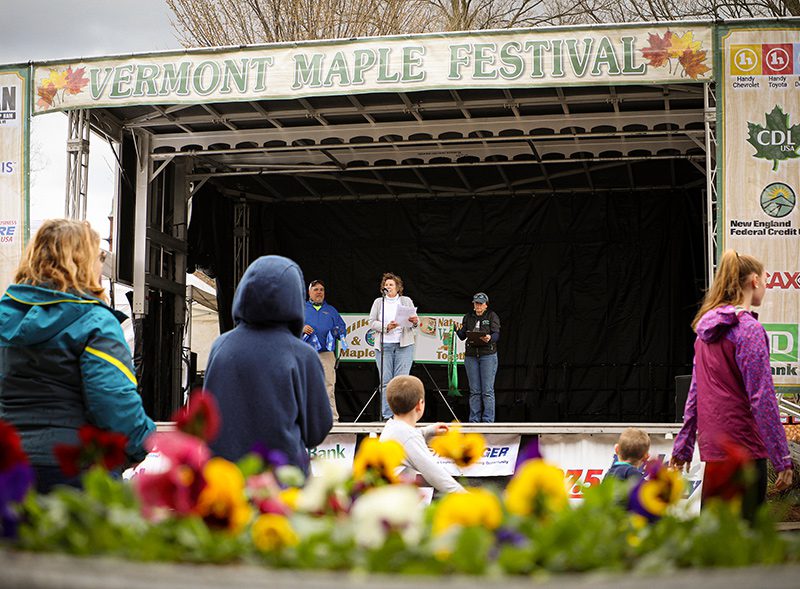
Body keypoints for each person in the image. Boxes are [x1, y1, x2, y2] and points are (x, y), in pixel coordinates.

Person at [0, 219, 155, 493]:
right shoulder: (95, 322)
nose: (100, 266)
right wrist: (143, 444)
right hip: (75, 471)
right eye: (99, 257)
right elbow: (113, 402)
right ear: (81, 262)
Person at [670, 250, 793, 518]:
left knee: (716, 543)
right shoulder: (748, 329)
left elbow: (694, 395)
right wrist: (782, 457)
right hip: (745, 451)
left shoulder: (704, 331)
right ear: (754, 281)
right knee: (744, 544)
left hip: (714, 452)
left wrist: (684, 446)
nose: (767, 285)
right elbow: (762, 397)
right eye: (765, 279)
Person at [204, 255, 332, 474]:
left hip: (226, 483)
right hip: (282, 483)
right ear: (294, 297)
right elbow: (316, 432)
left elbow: (207, 418)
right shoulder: (302, 355)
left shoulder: (221, 346)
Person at [380, 375, 464, 494]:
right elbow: (436, 475)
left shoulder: (392, 426)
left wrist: (428, 430)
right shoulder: (408, 436)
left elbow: (406, 439)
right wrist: (469, 498)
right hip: (393, 506)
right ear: (420, 404)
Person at [368, 272, 418, 420]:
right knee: (386, 382)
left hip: (404, 345)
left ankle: (401, 415)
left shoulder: (405, 300)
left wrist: (414, 321)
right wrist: (386, 327)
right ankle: (387, 415)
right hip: (384, 346)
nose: (388, 287)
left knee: (402, 382)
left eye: (391, 284)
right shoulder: (379, 302)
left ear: (398, 287)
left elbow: (414, 322)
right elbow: (371, 322)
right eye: (386, 284)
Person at [303, 280, 347, 422]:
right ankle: (305, 419)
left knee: (328, 385)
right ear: (309, 292)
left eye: (321, 289)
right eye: (316, 289)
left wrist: (337, 332)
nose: (319, 292)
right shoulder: (300, 308)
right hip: (305, 354)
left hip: (326, 354)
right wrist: (301, 328)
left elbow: (342, 327)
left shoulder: (331, 310)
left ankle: (332, 419)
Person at [456, 292, 500, 423]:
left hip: (488, 356)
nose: (478, 306)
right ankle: (474, 421)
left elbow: (497, 334)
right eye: (476, 303)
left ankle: (488, 422)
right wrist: (456, 330)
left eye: (481, 303)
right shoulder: (468, 317)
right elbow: (463, 336)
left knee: (487, 391)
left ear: (486, 305)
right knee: (475, 391)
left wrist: (490, 338)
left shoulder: (492, 316)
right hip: (471, 356)